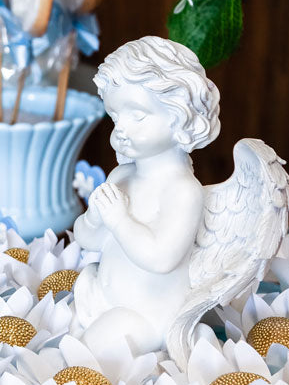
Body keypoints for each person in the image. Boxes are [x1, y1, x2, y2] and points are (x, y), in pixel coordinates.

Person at [72, 35, 221, 353]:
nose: (120, 127)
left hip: (147, 317)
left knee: (87, 352)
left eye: (137, 116)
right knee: (79, 298)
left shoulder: (182, 192)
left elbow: (161, 258)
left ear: (180, 117)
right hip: (104, 298)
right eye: (114, 117)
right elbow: (89, 240)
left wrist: (118, 219)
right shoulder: (122, 175)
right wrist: (95, 218)